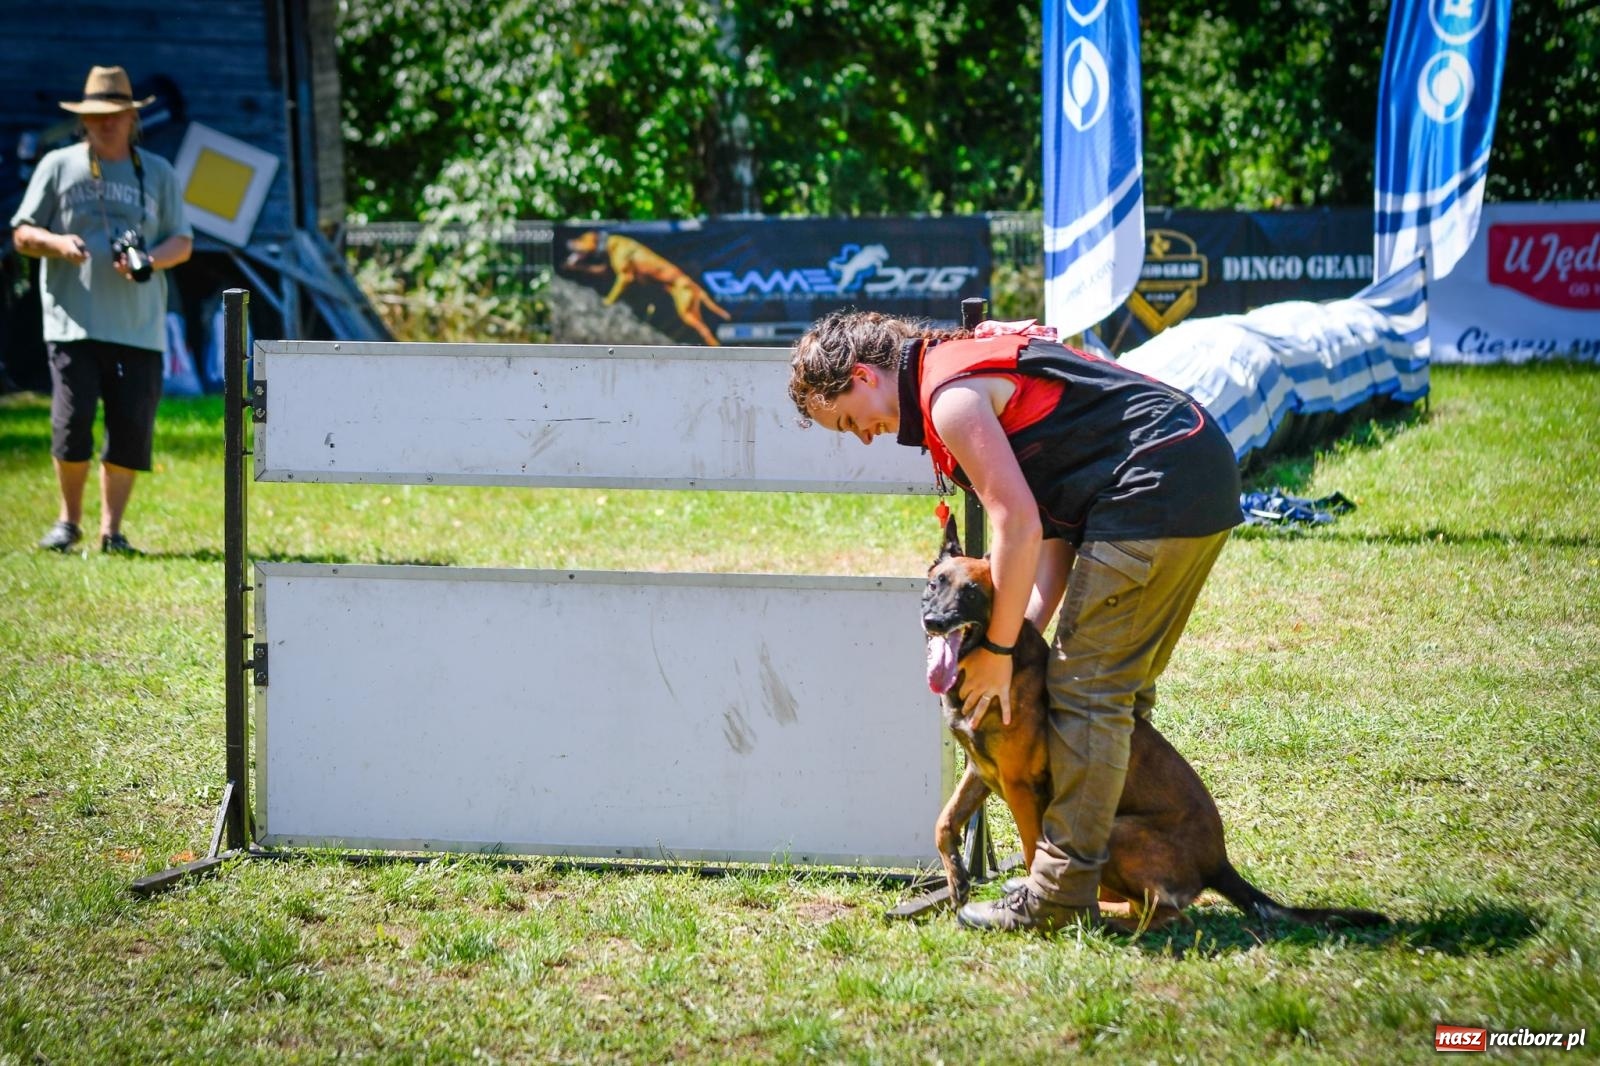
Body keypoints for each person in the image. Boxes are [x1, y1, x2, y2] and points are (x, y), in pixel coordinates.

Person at [789, 311, 1241, 933]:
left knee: (1087, 693)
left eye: (847, 420)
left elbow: (1018, 526)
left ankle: (1058, 893)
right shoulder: (955, 366)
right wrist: (1018, 638)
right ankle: (1141, 869)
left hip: (1156, 485)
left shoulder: (948, 398)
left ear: (864, 375)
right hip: (1192, 469)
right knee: (1101, 688)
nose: (864, 436)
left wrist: (1000, 650)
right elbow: (1052, 525)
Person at [10, 64, 193, 555]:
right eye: (95, 116)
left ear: (133, 117)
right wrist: (57, 244)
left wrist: (148, 261)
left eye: (115, 115)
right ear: (82, 120)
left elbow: (183, 241)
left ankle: (112, 532)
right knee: (71, 426)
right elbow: (22, 233)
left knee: (131, 430)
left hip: (138, 327)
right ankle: (68, 523)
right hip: (72, 322)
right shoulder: (58, 165)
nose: (105, 124)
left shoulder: (158, 172)